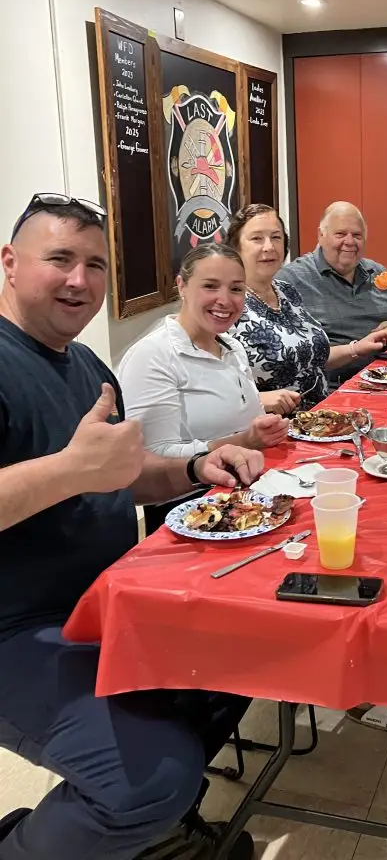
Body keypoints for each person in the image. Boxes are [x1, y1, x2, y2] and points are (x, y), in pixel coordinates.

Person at [0, 195, 262, 859]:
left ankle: (155, 837)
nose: (79, 280)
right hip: (18, 632)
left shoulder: (85, 364)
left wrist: (197, 467)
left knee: (242, 662)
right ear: (9, 262)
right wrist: (69, 470)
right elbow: (83, 471)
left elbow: (124, 474)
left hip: (108, 601)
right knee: (148, 780)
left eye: (95, 264)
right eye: (60, 259)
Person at [118, 242, 289, 533]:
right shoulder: (153, 355)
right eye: (210, 286)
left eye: (236, 289)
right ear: (182, 286)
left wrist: (265, 428)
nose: (225, 300)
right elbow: (151, 457)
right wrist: (244, 441)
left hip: (248, 496)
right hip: (189, 512)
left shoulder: (232, 347)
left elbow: (244, 421)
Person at [226, 204, 387, 409]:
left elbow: (309, 358)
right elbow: (203, 388)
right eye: (257, 238)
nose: (269, 247)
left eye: (276, 237)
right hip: (270, 424)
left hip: (322, 415)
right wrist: (258, 399)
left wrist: (356, 348)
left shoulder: (286, 291)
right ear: (236, 248)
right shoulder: (226, 304)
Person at [279, 202, 387, 385]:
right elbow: (287, 351)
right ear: (320, 235)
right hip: (333, 388)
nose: (350, 242)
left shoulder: (378, 272)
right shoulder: (291, 279)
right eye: (340, 234)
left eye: (357, 235)